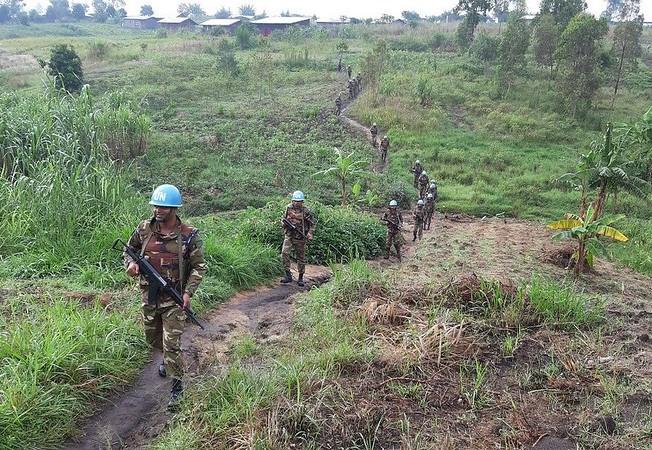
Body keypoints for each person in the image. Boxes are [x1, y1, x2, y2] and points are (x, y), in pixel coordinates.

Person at [124, 184, 207, 410]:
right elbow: (128, 251)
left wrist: (188, 292)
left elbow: (199, 267)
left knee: (171, 344)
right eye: (156, 206)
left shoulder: (189, 236)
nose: (158, 210)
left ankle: (177, 387)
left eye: (163, 207)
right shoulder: (143, 229)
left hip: (174, 299)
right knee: (153, 338)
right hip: (149, 298)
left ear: (174, 209)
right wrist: (131, 264)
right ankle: (166, 359)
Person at [281, 190, 315, 287]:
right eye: (295, 201)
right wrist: (284, 224)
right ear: (292, 201)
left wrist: (309, 233)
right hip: (289, 235)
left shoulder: (306, 211)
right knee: (284, 253)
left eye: (298, 201)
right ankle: (288, 275)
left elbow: (312, 224)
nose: (296, 203)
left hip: (300, 237)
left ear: (302, 202)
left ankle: (300, 277)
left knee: (300, 257)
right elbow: (283, 219)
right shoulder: (288, 208)